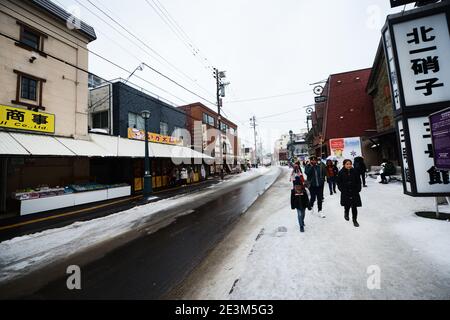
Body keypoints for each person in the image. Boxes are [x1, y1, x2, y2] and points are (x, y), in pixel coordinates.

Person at [337, 159, 362, 227]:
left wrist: (358, 188)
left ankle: (354, 220)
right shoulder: (341, 172)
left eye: (350, 164)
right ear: (344, 165)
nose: (349, 165)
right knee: (347, 205)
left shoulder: (355, 171)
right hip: (345, 192)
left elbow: (358, 181)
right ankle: (346, 212)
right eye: (347, 164)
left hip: (354, 192)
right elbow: (338, 182)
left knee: (354, 207)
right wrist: (342, 189)